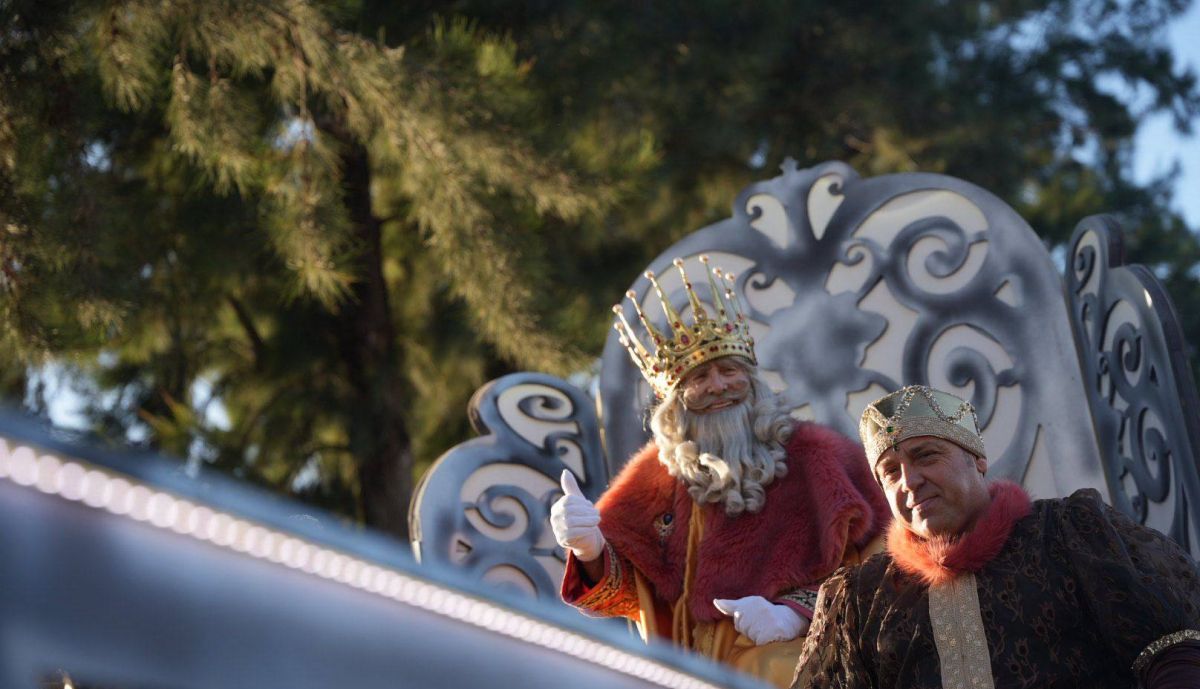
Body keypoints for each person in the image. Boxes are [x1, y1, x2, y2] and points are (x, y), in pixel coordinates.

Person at [550, 257, 889, 688]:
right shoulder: (654, 476)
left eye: (730, 371)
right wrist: (589, 549)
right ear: (675, 399)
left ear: (752, 380)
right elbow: (634, 594)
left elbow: (884, 559)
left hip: (804, 667)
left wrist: (797, 614)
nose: (718, 386)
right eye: (700, 377)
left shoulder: (820, 456)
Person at [792, 384, 1200, 689]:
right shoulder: (859, 599)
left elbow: (1177, 648)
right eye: (891, 473)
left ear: (978, 459)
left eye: (927, 455)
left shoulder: (1072, 532)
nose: (910, 482)